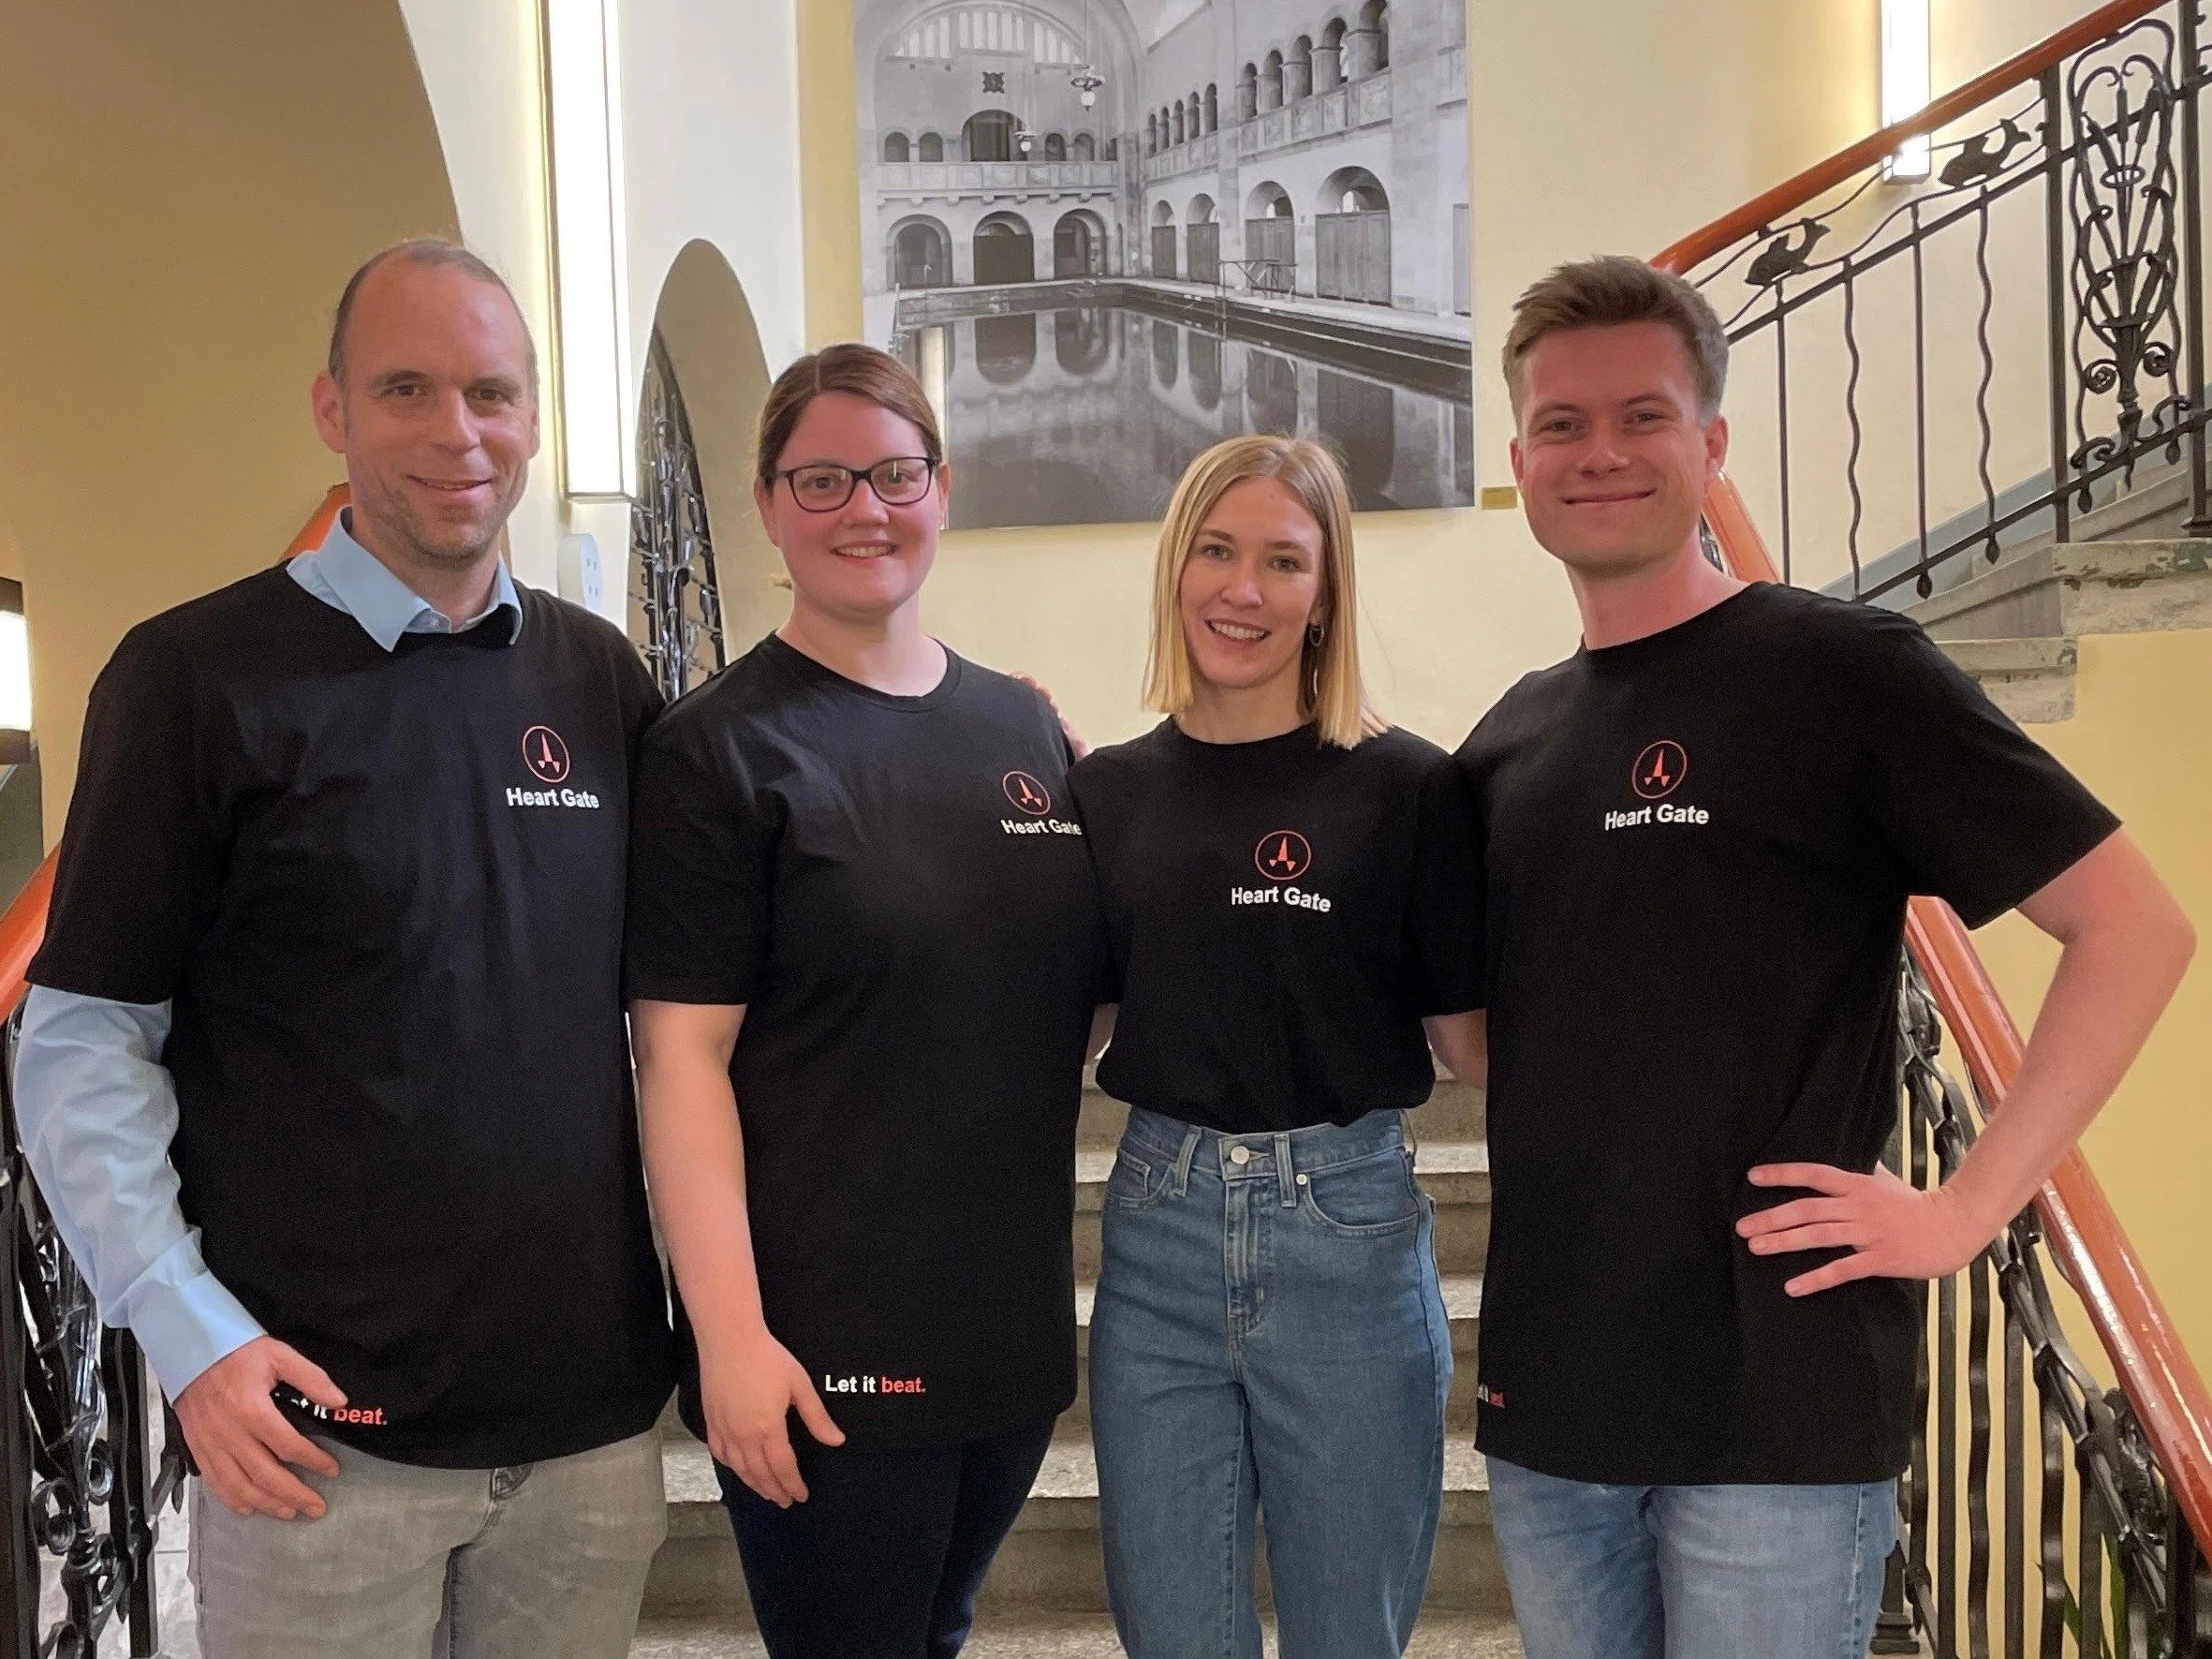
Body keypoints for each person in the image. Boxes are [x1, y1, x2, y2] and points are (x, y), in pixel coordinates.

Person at [1459, 254, 2196, 1659]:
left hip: (1776, 1405)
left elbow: (2133, 928)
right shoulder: (1509, 737)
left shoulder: (1842, 669)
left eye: (1643, 415)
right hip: (1551, 1402)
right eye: (1561, 423)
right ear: (1520, 462)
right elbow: (1496, 1038)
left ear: (1711, 443)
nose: (1600, 451)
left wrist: (1968, 1209)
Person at [13, 239, 675, 1656]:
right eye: (405, 389)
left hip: (585, 1440)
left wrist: (970, 743)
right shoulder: (192, 678)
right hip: (313, 1446)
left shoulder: (600, 679)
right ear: (332, 410)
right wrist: (185, 1334)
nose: (458, 432)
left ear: (535, 416)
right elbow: (80, 1039)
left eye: (491, 393)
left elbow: (736, 951)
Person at [624, 342, 1109, 1659]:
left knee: (934, 1632)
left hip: (1003, 1333)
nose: (864, 510)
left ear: (941, 488)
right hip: (820, 1340)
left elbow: (1066, 1002)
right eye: (822, 479)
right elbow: (680, 1064)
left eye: (895, 475)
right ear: (769, 504)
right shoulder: (716, 750)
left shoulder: (1022, 729)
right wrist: (729, 1337)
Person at [1068, 436, 1485, 1659]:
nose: (1241, 588)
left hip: (1348, 1230)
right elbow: (1064, 1020)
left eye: (1283, 561)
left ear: (1326, 592)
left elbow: (1473, 1042)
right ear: (1175, 567)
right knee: (1172, 1633)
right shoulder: (1108, 794)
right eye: (1215, 550)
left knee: (1348, 1635)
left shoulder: (1410, 787)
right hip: (1159, 1230)